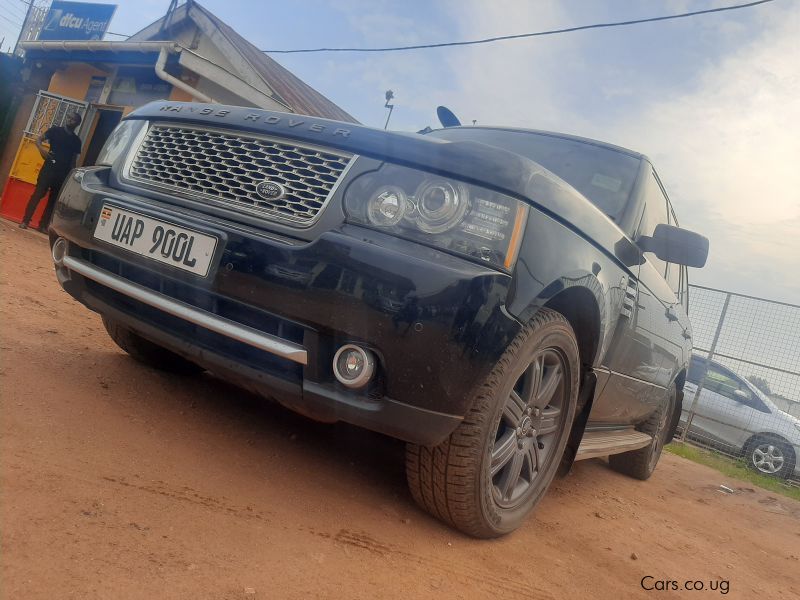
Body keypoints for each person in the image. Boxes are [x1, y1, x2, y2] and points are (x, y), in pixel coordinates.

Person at [19, 111, 82, 232]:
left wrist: (71, 175)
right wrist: (42, 150)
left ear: (77, 124)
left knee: (53, 200)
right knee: (38, 194)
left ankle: (42, 226)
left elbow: (73, 160)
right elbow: (39, 140)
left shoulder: (76, 141)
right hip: (49, 168)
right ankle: (25, 221)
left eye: (73, 119)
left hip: (62, 173)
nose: (69, 120)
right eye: (68, 117)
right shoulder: (55, 131)